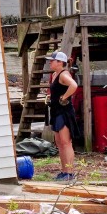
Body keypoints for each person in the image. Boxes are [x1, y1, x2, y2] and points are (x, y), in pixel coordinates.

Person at [45, 50, 78, 181]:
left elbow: (74, 85)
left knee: (66, 142)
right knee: (59, 142)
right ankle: (64, 171)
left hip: (64, 112)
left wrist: (64, 97)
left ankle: (69, 173)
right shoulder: (54, 74)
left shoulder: (64, 75)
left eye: (52, 60)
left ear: (60, 63)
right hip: (56, 111)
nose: (50, 62)